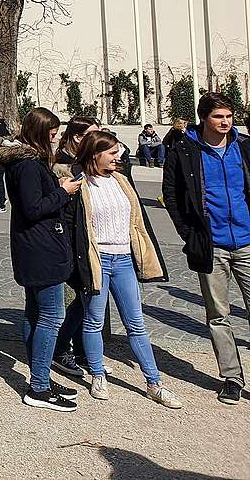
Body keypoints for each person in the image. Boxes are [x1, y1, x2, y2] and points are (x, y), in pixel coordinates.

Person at [68, 131, 180, 408]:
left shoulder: (122, 181)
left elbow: (137, 222)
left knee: (136, 322)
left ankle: (154, 381)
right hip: (98, 258)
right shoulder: (80, 184)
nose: (119, 156)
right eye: (112, 152)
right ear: (96, 154)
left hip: (124, 259)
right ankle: (97, 374)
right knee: (93, 320)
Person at [0, 107, 83, 411]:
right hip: (41, 247)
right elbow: (33, 208)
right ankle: (39, 387)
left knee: (34, 314)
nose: (56, 140)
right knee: (50, 317)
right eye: (53, 134)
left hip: (32, 246)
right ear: (41, 133)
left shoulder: (23, 161)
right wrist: (64, 192)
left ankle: (39, 375)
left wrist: (54, 188)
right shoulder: (29, 164)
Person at [163, 91, 250, 405]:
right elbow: (170, 194)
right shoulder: (185, 149)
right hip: (210, 245)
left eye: (228, 116)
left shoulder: (244, 147)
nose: (225, 122)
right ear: (204, 119)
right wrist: (188, 233)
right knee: (218, 315)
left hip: (247, 241)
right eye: (218, 117)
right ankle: (232, 378)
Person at [49, 115, 102, 379]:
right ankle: (61, 349)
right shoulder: (62, 167)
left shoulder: (91, 163)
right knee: (78, 299)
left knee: (88, 297)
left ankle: (83, 349)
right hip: (70, 241)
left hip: (92, 240)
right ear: (78, 137)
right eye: (94, 134)